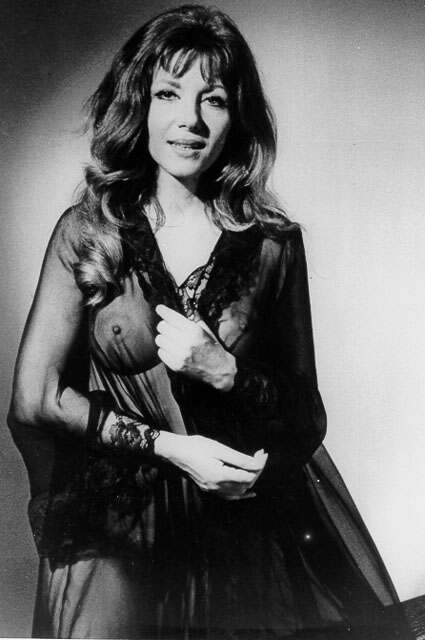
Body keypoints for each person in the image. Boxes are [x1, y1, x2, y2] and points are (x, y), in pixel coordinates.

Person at [8, 4, 412, 639]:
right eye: (168, 94)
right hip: (119, 521)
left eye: (214, 99)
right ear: (139, 104)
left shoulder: (273, 245)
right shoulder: (90, 232)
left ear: (236, 117)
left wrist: (226, 371)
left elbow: (305, 417)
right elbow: (37, 399)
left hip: (234, 521)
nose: (189, 120)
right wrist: (174, 448)